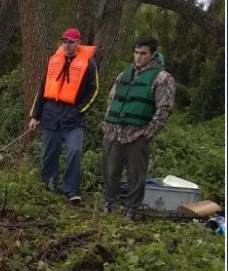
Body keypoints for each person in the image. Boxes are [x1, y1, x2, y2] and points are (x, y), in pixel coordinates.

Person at [102, 36, 176, 220]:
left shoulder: (162, 78)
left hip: (137, 134)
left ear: (152, 54)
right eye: (136, 52)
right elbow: (112, 99)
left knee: (136, 175)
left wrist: (148, 133)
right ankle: (110, 203)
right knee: (110, 171)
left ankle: (131, 209)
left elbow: (164, 108)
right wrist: (107, 123)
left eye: (143, 53)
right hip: (113, 132)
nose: (138, 57)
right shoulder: (124, 75)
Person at [28, 28, 99, 204]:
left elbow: (93, 91)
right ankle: (48, 185)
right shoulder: (54, 61)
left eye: (71, 42)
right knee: (50, 152)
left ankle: (71, 190)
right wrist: (35, 116)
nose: (67, 45)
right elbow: (42, 89)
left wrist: (79, 110)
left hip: (73, 119)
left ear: (78, 43)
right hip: (51, 115)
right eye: (64, 42)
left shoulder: (89, 65)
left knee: (74, 151)